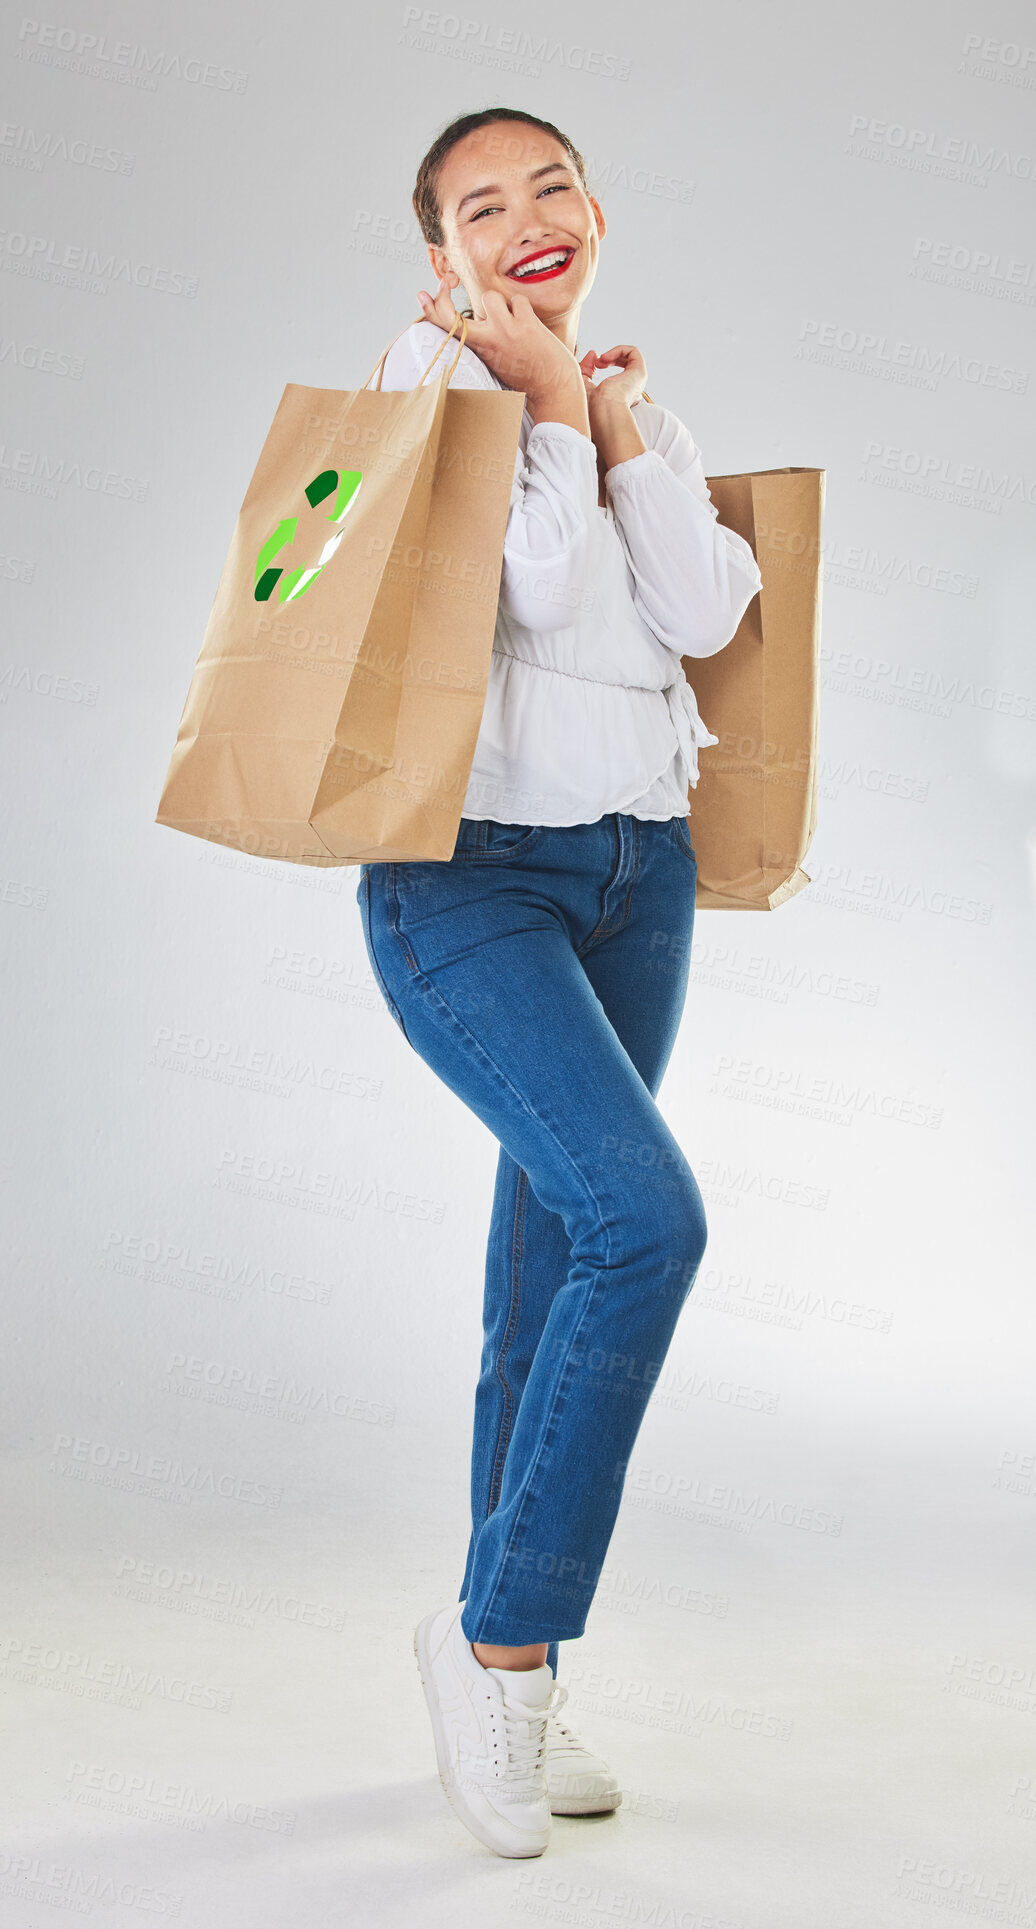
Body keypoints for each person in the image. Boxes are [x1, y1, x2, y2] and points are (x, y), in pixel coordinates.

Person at [356, 107, 764, 1860]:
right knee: (643, 1225)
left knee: (549, 1274)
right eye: (478, 208)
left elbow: (707, 606)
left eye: (549, 190)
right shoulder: (422, 375)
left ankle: (494, 1643)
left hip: (636, 872)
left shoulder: (623, 395)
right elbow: (523, 578)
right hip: (468, 883)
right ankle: (500, 1641)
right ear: (437, 256)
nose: (524, 221)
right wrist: (534, 404)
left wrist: (602, 416)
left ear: (595, 210)